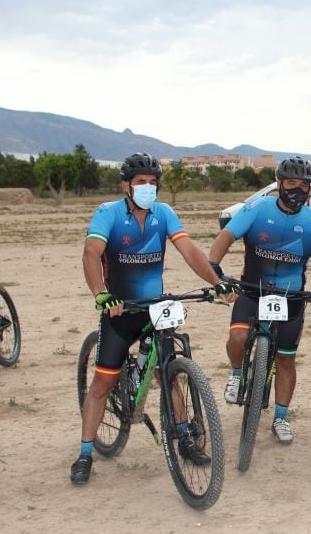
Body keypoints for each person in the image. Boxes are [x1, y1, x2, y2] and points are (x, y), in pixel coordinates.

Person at [72, 152, 230, 485]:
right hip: (120, 309)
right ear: (126, 185)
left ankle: (184, 437)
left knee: (169, 373)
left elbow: (188, 250)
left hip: (155, 307)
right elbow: (91, 253)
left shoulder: (164, 213)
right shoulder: (108, 214)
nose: (148, 188)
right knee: (102, 383)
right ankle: (85, 452)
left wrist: (216, 283)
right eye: (141, 182)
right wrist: (101, 294)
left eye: (153, 183)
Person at [210, 156, 311, 444]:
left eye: (304, 186)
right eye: (292, 183)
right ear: (279, 184)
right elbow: (226, 236)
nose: (298, 190)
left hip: (291, 298)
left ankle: (280, 416)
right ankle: (236, 372)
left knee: (286, 361)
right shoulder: (257, 208)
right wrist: (214, 267)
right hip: (253, 291)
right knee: (238, 339)